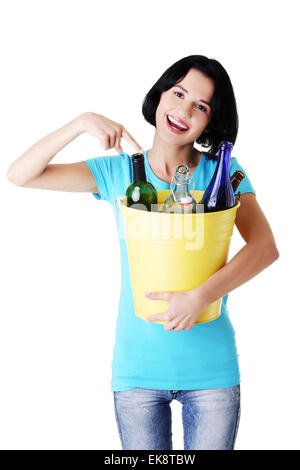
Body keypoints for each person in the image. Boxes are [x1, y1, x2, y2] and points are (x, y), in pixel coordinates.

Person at [7, 55, 279, 450]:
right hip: (136, 372)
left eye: (200, 106)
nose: (183, 110)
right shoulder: (118, 174)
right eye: (178, 93)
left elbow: (265, 248)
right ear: (160, 95)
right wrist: (82, 122)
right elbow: (20, 174)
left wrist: (200, 297)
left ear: (210, 121)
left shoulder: (223, 173)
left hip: (211, 372)